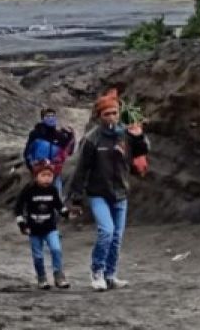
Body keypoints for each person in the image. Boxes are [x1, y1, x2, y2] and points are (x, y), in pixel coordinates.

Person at [68, 89, 149, 291]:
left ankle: (110, 275)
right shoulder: (92, 139)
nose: (111, 117)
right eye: (107, 114)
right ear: (99, 116)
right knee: (106, 232)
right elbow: (81, 170)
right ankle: (97, 272)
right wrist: (75, 199)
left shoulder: (125, 134)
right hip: (98, 193)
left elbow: (142, 151)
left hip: (120, 192)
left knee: (117, 238)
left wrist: (138, 137)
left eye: (114, 112)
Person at [15, 161, 71, 290]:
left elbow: (59, 205)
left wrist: (66, 213)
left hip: (50, 227)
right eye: (43, 175)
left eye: (50, 175)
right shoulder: (29, 189)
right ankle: (42, 278)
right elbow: (18, 207)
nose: (47, 178)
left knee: (56, 249)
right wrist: (22, 224)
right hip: (34, 229)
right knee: (38, 255)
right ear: (36, 176)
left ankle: (59, 276)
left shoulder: (53, 190)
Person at [23, 107, 76, 193]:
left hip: (55, 172)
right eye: (48, 116)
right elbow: (27, 153)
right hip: (38, 170)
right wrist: (31, 166)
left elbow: (69, 152)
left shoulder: (60, 136)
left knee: (57, 195)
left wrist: (71, 137)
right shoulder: (35, 134)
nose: (51, 118)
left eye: (53, 116)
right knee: (36, 195)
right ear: (43, 118)